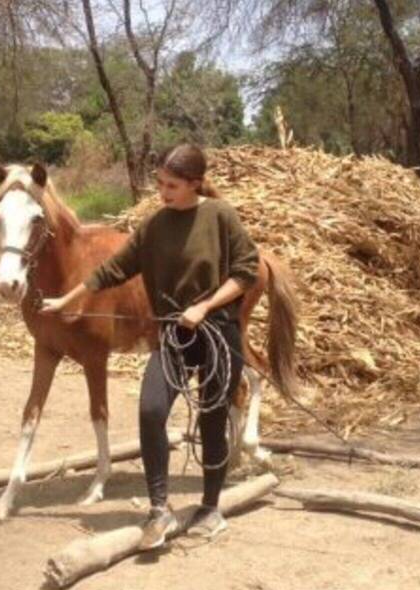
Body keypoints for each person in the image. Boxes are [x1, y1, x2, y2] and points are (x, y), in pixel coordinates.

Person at [40, 144, 259, 549]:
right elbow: (113, 269)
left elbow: (245, 271)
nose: (163, 192)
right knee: (151, 409)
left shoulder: (220, 216)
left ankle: (211, 508)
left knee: (212, 421)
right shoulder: (155, 225)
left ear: (195, 184)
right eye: (159, 183)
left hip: (218, 334)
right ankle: (158, 510)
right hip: (174, 335)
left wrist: (205, 306)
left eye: (172, 185)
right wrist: (67, 300)